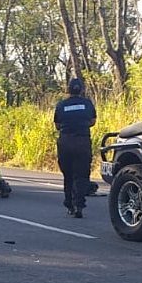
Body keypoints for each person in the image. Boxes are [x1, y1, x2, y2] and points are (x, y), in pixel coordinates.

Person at [54, 76, 96, 218]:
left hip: (65, 142)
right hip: (82, 142)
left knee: (68, 175)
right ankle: (79, 205)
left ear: (68, 89)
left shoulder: (61, 105)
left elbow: (58, 125)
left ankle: (69, 204)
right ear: (81, 89)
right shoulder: (87, 104)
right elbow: (92, 121)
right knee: (82, 175)